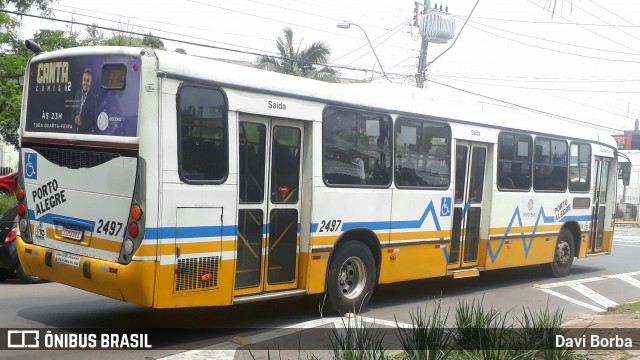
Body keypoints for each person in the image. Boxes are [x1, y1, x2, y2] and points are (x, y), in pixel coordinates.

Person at [72, 68, 97, 133]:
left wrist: (82, 122)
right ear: (82, 81)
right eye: (84, 79)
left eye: (88, 80)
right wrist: (75, 118)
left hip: (85, 135)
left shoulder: (93, 98)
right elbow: (73, 111)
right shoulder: (78, 93)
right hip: (75, 132)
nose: (85, 83)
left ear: (90, 83)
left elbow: (92, 120)